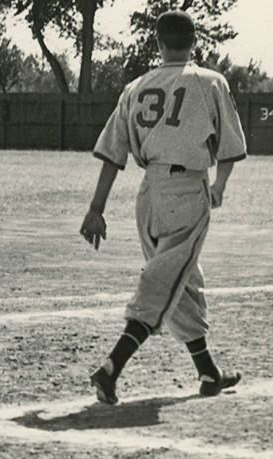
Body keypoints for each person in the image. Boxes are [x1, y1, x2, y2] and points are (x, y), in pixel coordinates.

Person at [80, 10, 246, 405]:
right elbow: (229, 147)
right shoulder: (210, 81)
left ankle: (207, 371)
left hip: (148, 194)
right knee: (163, 282)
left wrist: (96, 208)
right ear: (195, 41)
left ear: (158, 44)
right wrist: (218, 187)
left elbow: (112, 153)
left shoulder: (136, 86)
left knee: (183, 279)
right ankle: (111, 367)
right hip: (188, 190)